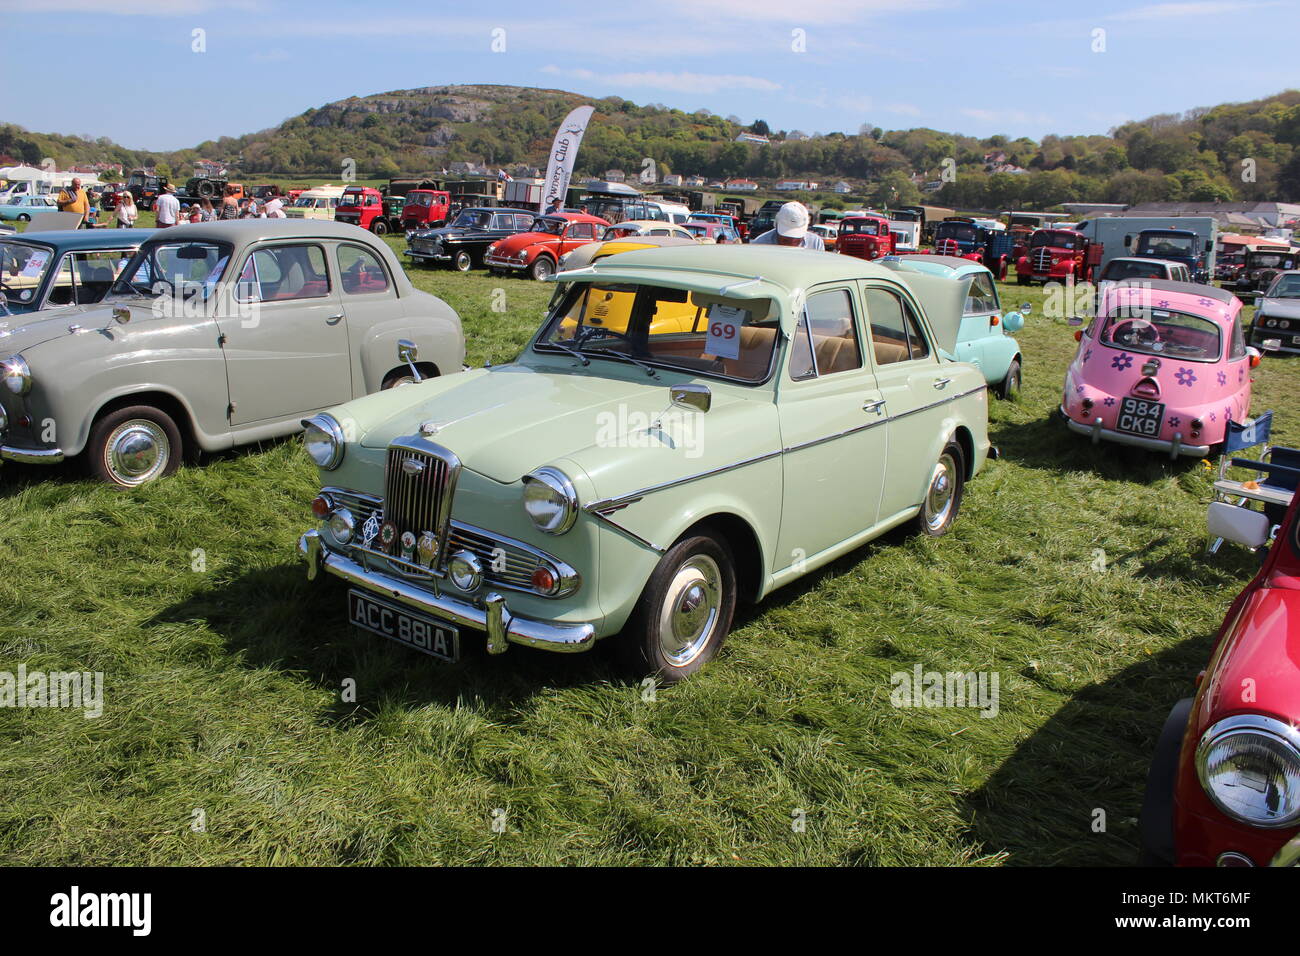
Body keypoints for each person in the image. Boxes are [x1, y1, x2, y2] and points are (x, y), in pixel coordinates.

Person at [750, 202, 825, 250]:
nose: (792, 245)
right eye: (785, 240)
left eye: (797, 240)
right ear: (776, 225)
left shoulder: (816, 244)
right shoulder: (760, 245)